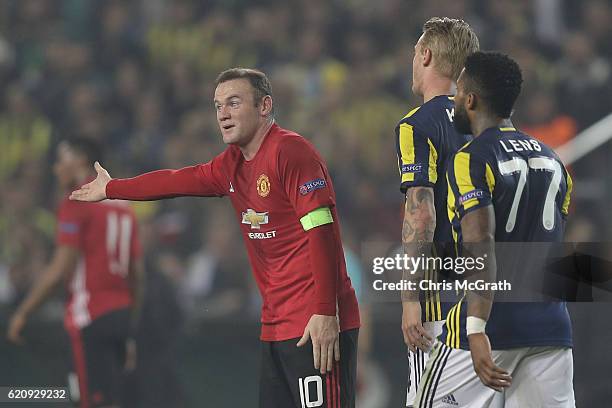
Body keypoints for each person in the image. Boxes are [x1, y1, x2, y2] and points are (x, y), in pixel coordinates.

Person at [70, 68, 361, 408]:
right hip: (275, 326)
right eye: (218, 105)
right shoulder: (230, 165)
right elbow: (176, 180)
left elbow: (323, 231)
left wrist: (326, 312)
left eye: (233, 103)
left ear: (264, 105)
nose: (223, 113)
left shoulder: (292, 152)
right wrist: (111, 188)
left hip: (317, 322)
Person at [415, 51, 575, 407]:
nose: (454, 99)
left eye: (458, 93)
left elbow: (480, 242)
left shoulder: (471, 158)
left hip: (488, 327)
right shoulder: (554, 160)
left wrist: (475, 329)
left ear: (470, 100)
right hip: (551, 329)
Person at [7, 138, 145, 408]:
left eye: (61, 160)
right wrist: (129, 327)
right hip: (121, 315)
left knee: (88, 401)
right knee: (109, 400)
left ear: (80, 160)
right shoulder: (122, 204)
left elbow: (60, 269)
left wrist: (24, 312)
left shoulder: (76, 201)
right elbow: (137, 274)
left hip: (90, 314)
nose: (56, 168)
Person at [395, 17, 479, 407]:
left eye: (415, 53)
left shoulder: (417, 124)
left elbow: (421, 213)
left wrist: (410, 297)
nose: (413, 61)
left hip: (440, 295)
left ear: (426, 55)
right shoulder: (490, 122)